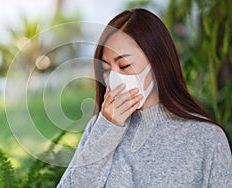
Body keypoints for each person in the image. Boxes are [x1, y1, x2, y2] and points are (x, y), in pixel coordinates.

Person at [57, 8, 231, 187]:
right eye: (107, 70)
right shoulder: (99, 126)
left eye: (124, 65)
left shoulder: (207, 138)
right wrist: (107, 129)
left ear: (157, 63)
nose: (113, 79)